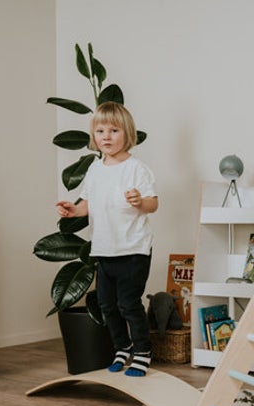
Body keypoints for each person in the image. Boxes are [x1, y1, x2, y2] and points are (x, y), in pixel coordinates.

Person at [56, 102, 159, 376]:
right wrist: (73, 210)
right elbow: (86, 204)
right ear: (94, 136)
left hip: (133, 249)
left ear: (127, 134)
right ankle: (122, 348)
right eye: (100, 130)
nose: (106, 136)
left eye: (114, 130)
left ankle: (143, 352)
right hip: (104, 250)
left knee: (128, 303)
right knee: (107, 305)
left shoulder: (137, 168)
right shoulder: (95, 169)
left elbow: (153, 204)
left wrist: (140, 201)